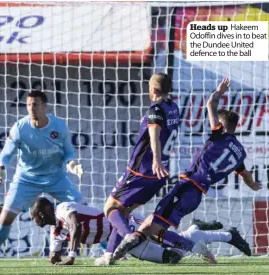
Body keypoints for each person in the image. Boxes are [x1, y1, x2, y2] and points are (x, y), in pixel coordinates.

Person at [112, 78, 262, 264]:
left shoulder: (218, 136)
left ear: (221, 127)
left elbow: (210, 103)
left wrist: (219, 91)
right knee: (151, 226)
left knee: (149, 227)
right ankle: (196, 237)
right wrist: (256, 185)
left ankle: (196, 248)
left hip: (187, 187)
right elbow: (247, 177)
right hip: (196, 195)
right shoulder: (239, 152)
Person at [0, 90, 84, 261]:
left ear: (44, 106)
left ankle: (109, 251)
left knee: (82, 212)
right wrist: (1, 167)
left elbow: (68, 152)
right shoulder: (20, 128)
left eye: (35, 104)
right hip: (26, 179)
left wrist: (72, 164)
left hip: (56, 178)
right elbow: (6, 154)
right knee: (6, 216)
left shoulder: (59, 126)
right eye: (29, 104)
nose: (31, 108)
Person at [100, 73, 192, 264]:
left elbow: (154, 135)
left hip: (141, 171)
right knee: (123, 212)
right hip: (159, 175)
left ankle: (128, 237)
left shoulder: (155, 109)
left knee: (110, 207)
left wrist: (156, 160)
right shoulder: (173, 107)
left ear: (153, 90)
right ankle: (109, 255)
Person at [30, 198, 251, 266]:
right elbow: (54, 254)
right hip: (116, 241)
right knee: (172, 258)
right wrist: (55, 257)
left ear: (47, 209)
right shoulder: (54, 230)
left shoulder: (61, 209)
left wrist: (72, 256)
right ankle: (197, 229)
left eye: (37, 215)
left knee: (169, 238)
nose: (36, 220)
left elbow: (76, 225)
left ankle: (226, 235)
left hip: (124, 227)